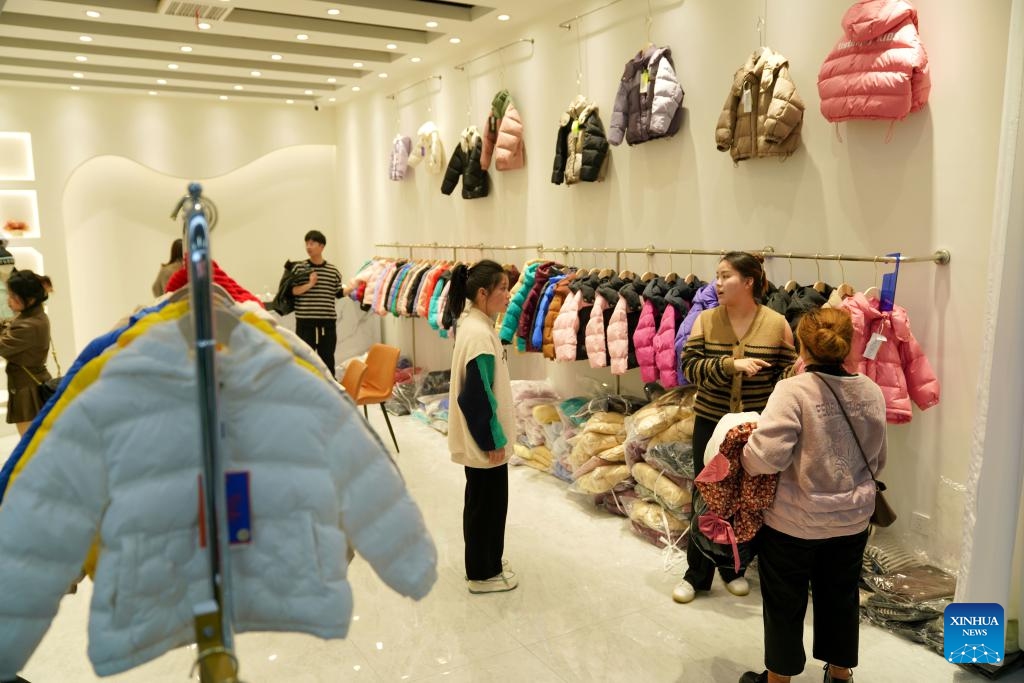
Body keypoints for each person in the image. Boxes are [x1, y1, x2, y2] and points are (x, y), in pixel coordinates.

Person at [738, 308, 887, 683]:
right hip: (852, 520)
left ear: (802, 346)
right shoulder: (870, 390)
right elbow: (878, 460)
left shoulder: (793, 390)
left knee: (784, 602)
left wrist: (742, 451)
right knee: (840, 597)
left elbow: (766, 458)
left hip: (794, 522)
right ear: (847, 344)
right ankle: (840, 675)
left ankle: (779, 680)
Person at [675, 251, 797, 603]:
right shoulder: (706, 320)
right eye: (716, 275)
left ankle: (735, 569)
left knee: (746, 499)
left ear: (749, 281)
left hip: (754, 430)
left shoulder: (776, 324)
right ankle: (696, 574)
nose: (717, 282)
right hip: (711, 423)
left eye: (725, 276)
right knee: (705, 496)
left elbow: (786, 377)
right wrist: (731, 365)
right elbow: (691, 369)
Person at [444, 260, 518, 594]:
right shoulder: (478, 334)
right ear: (483, 292)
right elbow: (476, 396)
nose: (508, 294)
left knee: (482, 503)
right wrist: (493, 439)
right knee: (486, 507)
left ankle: (486, 562)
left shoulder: (475, 325)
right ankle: (482, 574)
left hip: (483, 439)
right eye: (503, 288)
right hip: (484, 441)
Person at [0, 270, 51, 436]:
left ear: (29, 299)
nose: (9, 301)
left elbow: (3, 345)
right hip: (30, 385)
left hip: (28, 392)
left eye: (13, 297)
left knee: (29, 447)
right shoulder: (34, 315)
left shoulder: (28, 325)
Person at [290, 230, 344, 377]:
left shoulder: (333, 271)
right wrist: (310, 284)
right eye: (306, 243)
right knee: (305, 361)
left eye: (312, 243)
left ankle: (330, 393)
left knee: (327, 361)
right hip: (305, 322)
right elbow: (293, 291)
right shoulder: (299, 268)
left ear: (321, 246)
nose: (308, 246)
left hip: (327, 323)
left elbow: (338, 293)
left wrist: (354, 286)